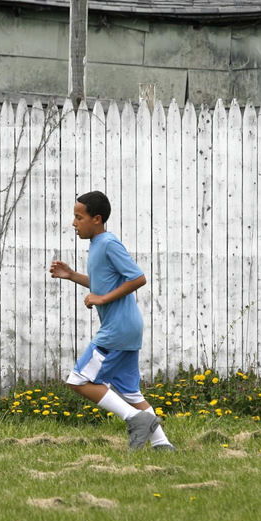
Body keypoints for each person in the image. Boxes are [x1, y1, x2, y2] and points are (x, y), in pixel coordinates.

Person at [49, 191, 175, 450]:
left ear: (96, 218)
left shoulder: (108, 243)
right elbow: (102, 283)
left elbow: (138, 278)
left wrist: (103, 300)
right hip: (127, 328)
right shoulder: (97, 244)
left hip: (116, 329)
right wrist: (72, 275)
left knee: (79, 380)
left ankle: (134, 419)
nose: (74, 223)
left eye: (78, 217)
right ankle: (162, 444)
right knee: (131, 392)